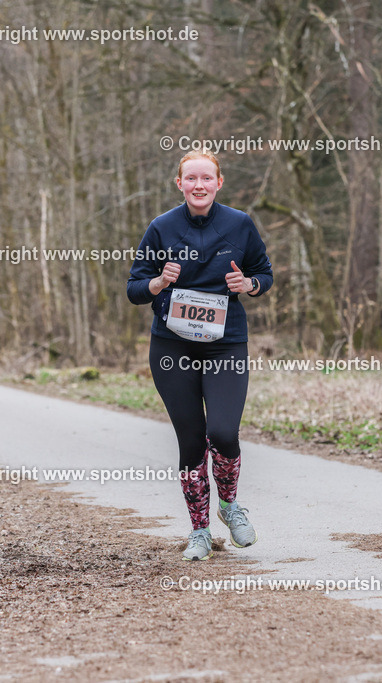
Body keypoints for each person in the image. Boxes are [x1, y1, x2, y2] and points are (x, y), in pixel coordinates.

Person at [127, 151, 273, 561]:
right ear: (179, 184)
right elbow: (134, 288)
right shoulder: (161, 228)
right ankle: (200, 531)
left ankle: (230, 505)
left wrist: (248, 284)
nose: (199, 185)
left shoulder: (240, 224)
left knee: (224, 432)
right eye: (190, 178)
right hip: (173, 347)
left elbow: (265, 273)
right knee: (191, 441)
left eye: (206, 178)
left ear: (219, 183)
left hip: (226, 343)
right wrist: (158, 282)